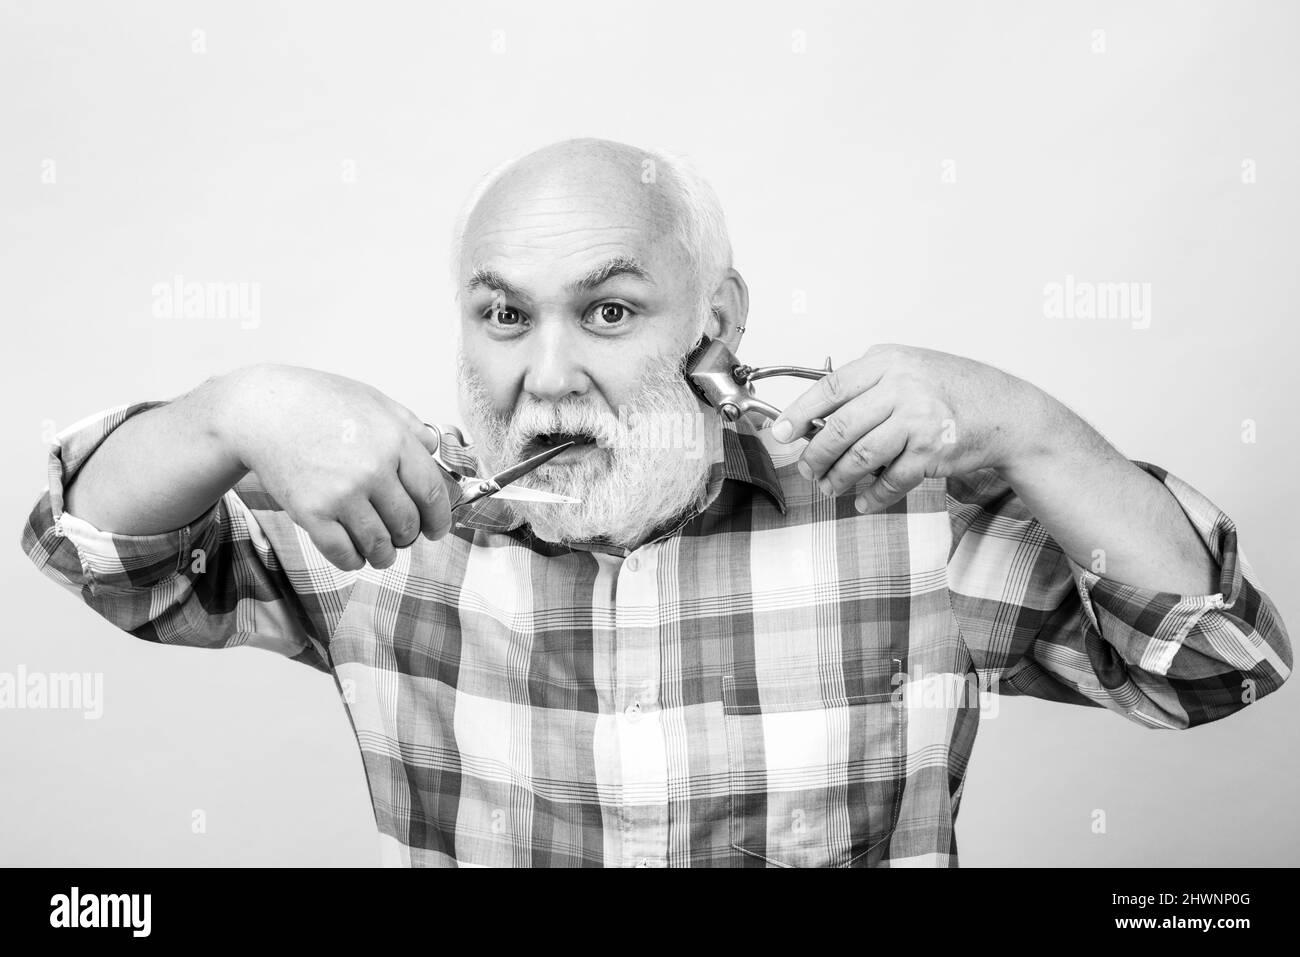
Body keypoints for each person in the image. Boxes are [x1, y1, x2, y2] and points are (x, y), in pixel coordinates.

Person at [20, 138, 1292, 867]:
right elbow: (111, 555)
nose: (548, 374)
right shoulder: (385, 527)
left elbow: (1214, 667)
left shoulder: (901, 520)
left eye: (611, 311)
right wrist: (230, 407)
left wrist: (1025, 425)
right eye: (504, 314)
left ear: (717, 324)